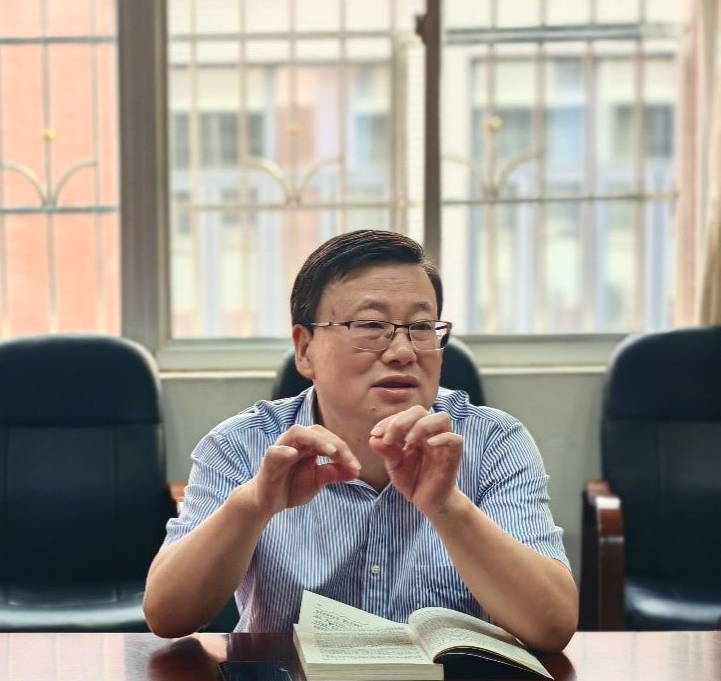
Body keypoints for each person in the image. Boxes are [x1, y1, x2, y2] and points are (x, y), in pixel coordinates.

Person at [144, 229, 577, 651]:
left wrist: (449, 508)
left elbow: (552, 626)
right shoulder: (243, 445)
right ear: (305, 349)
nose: (403, 352)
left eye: (421, 327)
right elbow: (167, 616)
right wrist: (252, 505)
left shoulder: (493, 442)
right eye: (371, 325)